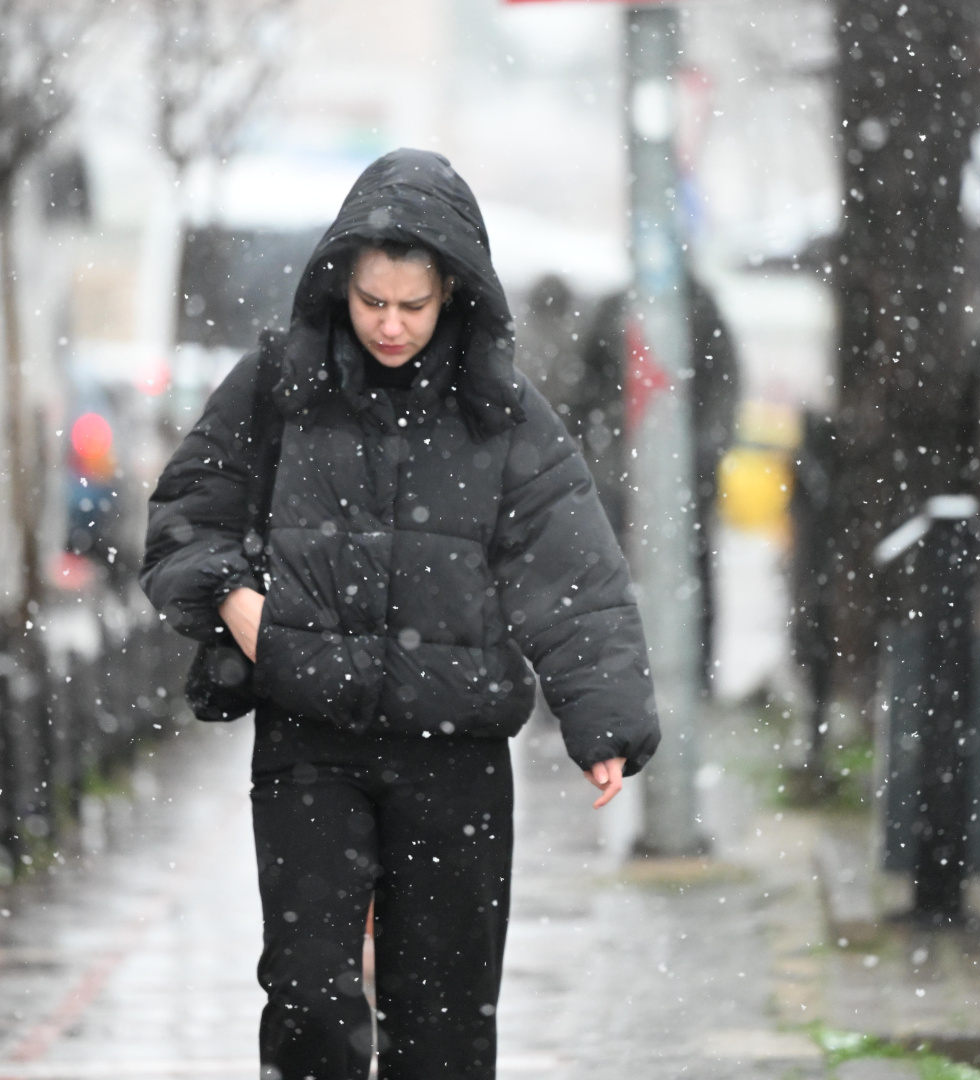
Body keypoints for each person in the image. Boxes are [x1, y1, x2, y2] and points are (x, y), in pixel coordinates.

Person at [139, 149, 660, 1080]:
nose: (388, 324)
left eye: (411, 305)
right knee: (306, 999)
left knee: (446, 1026)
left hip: (455, 754)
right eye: (371, 300)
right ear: (340, 283)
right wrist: (238, 603)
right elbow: (186, 512)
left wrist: (604, 719)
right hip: (310, 740)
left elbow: (572, 571)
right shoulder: (280, 385)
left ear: (453, 294)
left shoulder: (505, 416)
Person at [567, 278, 739, 690]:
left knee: (692, 570)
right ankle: (604, 674)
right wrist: (590, 445)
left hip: (685, 473)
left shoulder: (700, 306)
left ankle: (694, 677)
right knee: (607, 571)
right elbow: (584, 386)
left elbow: (724, 383)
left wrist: (704, 452)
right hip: (616, 470)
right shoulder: (615, 305)